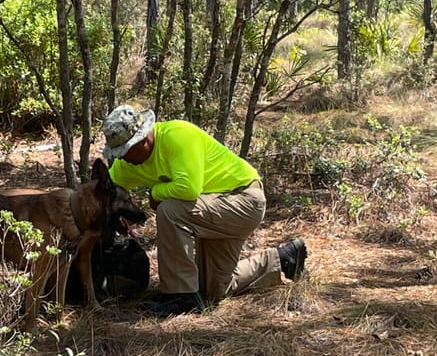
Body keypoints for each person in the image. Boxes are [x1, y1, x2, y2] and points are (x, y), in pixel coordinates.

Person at [101, 104, 307, 316]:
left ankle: (180, 296)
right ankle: (283, 259)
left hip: (244, 200)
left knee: (169, 210)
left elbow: (188, 189)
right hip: (213, 209)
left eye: (125, 151)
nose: (122, 158)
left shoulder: (177, 136)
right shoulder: (129, 163)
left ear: (143, 140)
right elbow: (103, 189)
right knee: (215, 288)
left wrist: (155, 194)